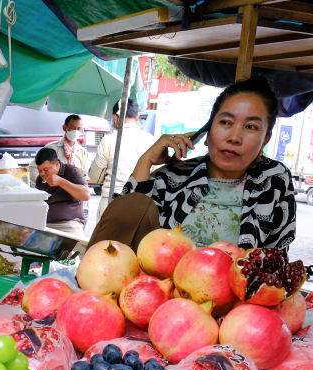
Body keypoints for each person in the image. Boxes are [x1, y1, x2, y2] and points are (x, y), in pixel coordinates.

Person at [92, 76, 296, 252]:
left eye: (251, 126)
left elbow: (276, 258)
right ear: (208, 131)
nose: (234, 137)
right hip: (159, 292)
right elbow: (117, 234)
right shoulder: (173, 177)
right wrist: (146, 161)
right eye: (225, 122)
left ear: (265, 140)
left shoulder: (274, 181)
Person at [88, 100, 157, 215]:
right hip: (140, 205)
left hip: (111, 202)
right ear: (137, 117)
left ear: (115, 117)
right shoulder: (152, 141)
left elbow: (95, 177)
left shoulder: (109, 140)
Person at [34, 147, 90, 230]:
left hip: (71, 223)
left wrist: (61, 182)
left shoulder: (71, 171)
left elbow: (86, 195)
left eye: (46, 170)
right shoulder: (40, 180)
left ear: (57, 164)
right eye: (40, 170)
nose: (42, 174)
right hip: (46, 224)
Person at [28, 114, 91, 186]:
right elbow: (33, 168)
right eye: (72, 128)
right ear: (64, 128)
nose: (75, 131)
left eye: (78, 128)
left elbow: (84, 176)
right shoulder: (51, 148)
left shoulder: (83, 153)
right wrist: (44, 187)